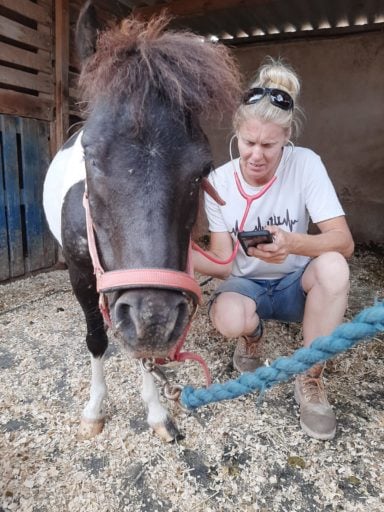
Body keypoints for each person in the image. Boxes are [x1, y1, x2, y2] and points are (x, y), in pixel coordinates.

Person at [193, 57, 354, 441]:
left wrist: (293, 244)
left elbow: (343, 241)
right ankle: (253, 333)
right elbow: (220, 260)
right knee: (229, 319)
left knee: (333, 267)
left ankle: (311, 376)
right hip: (246, 286)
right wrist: (179, 256)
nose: (257, 155)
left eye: (270, 144)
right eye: (249, 143)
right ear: (236, 135)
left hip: (295, 283)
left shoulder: (306, 165)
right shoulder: (219, 182)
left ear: (287, 139)